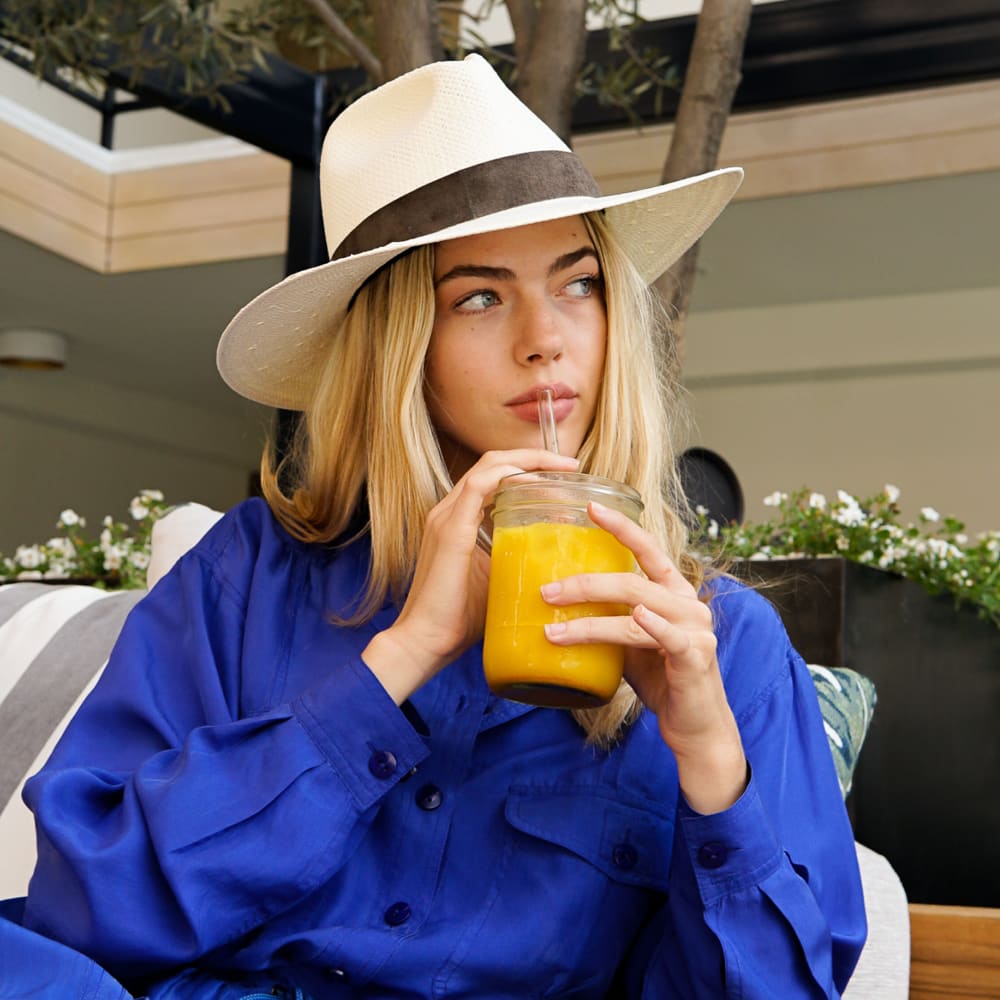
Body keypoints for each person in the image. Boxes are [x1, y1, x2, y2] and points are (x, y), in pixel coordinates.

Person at [1, 54, 865, 998]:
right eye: (480, 297)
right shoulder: (245, 577)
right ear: (398, 349)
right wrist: (397, 663)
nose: (547, 334)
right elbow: (83, 903)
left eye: (578, 283)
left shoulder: (722, 646)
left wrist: (707, 756)